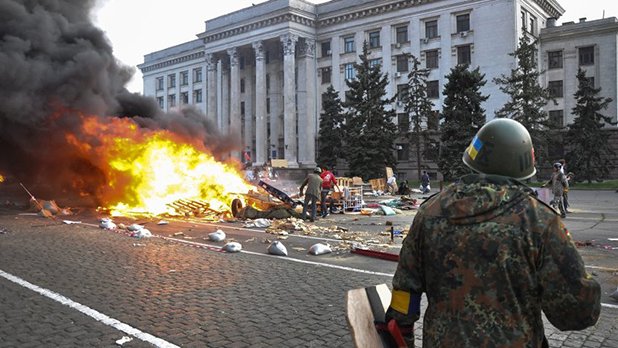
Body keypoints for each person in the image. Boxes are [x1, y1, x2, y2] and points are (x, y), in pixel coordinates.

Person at [385, 118, 600, 347]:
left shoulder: (429, 212)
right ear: (524, 165)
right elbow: (574, 313)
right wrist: (587, 285)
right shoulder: (540, 221)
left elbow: (404, 294)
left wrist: (402, 338)